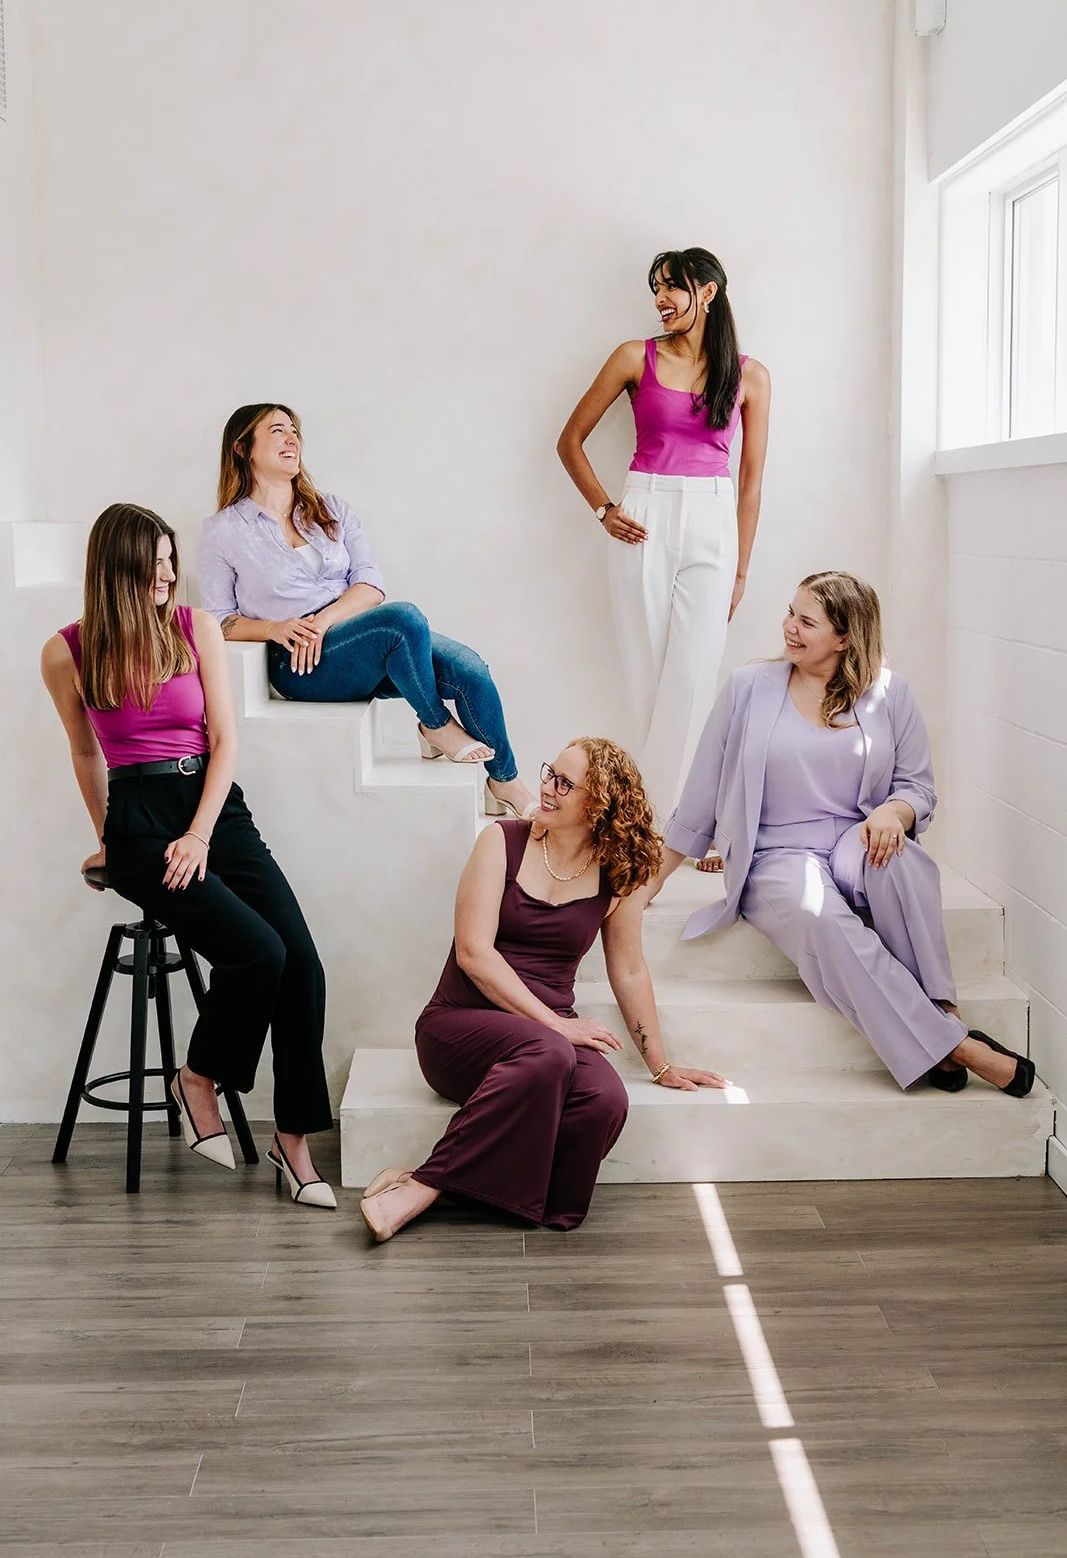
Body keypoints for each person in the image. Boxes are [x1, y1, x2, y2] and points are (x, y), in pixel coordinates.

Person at [41, 504, 338, 1207]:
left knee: (301, 963)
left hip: (214, 808)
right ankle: (198, 1076)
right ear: (116, 572)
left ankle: (292, 1141)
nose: (169, 578)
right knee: (257, 952)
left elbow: (226, 742)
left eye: (171, 564)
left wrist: (201, 832)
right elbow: (85, 752)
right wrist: (109, 840)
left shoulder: (194, 627)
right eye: (154, 567)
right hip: (139, 822)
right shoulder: (66, 652)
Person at [650, 571, 1035, 1097]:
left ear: (845, 636)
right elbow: (701, 788)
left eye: (807, 621)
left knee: (904, 861)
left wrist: (894, 812)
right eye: (790, 613)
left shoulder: (891, 693)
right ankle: (957, 1046)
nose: (789, 627)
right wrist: (653, 879)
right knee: (819, 915)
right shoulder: (748, 687)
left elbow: (918, 787)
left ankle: (943, 1012)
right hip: (776, 852)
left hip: (857, 837)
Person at [359, 738, 728, 1242]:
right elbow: (473, 954)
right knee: (550, 1051)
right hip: (459, 1027)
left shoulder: (616, 875)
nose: (547, 789)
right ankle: (424, 1184)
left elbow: (628, 970)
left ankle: (459, 1191)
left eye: (564, 783)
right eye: (549, 773)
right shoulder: (501, 842)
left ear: (599, 805)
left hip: (543, 1045)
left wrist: (660, 1064)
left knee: (604, 1100)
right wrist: (556, 1025)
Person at [197, 404, 536, 820]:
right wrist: (274, 628)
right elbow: (218, 619)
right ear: (242, 447)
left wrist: (325, 619)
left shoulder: (331, 509)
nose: (291, 438)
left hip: (358, 636)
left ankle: (504, 782)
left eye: (295, 431)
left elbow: (370, 584)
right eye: (277, 430)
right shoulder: (223, 531)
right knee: (403, 619)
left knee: (471, 670)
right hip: (301, 662)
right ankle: (434, 724)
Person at [557, 247, 771, 823]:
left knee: (694, 677)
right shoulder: (634, 356)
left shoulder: (750, 375)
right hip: (643, 518)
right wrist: (604, 509)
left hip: (714, 522)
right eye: (656, 287)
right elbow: (569, 441)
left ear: (708, 292)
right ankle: (667, 821)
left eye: (672, 286)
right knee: (648, 677)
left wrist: (741, 571)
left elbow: (751, 484)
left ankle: (665, 820)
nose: (661, 299)